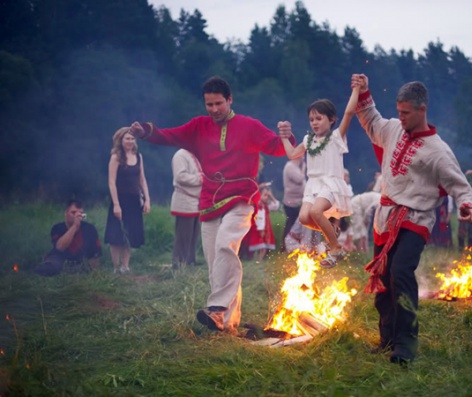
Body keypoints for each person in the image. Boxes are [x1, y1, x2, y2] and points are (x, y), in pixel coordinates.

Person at [128, 75, 294, 334]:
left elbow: (277, 147)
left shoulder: (248, 125)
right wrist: (146, 132)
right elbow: (169, 135)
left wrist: (286, 137)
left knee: (225, 246)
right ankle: (228, 324)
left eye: (219, 103)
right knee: (216, 262)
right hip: (209, 201)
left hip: (241, 197)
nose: (214, 109)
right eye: (209, 105)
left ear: (230, 100)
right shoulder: (198, 126)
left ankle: (216, 308)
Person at [351, 74, 472, 365]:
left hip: (415, 219)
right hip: (385, 217)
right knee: (384, 281)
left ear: (422, 110)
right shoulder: (394, 129)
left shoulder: (438, 151)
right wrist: (364, 90)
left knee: (401, 272)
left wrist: (467, 204)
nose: (401, 117)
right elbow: (371, 120)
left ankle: (406, 345)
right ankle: (387, 340)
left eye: (406, 112)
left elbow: (459, 185)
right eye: (399, 112)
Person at [280, 92, 356, 268]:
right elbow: (292, 153)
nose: (314, 122)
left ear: (331, 119)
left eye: (319, 118)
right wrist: (284, 138)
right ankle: (333, 231)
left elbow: (349, 113)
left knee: (315, 212)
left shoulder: (336, 137)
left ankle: (336, 248)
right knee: (304, 217)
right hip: (312, 185)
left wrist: (357, 90)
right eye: (311, 119)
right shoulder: (308, 140)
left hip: (330, 183)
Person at [104, 127, 150, 274]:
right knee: (116, 234)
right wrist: (116, 205)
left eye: (132, 139)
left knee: (130, 233)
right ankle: (116, 267)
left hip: (134, 200)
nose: (130, 141)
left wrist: (147, 199)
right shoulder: (116, 157)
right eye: (127, 139)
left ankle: (125, 266)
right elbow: (111, 182)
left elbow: (142, 179)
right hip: (120, 199)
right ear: (121, 140)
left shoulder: (138, 157)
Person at [35, 199, 102, 276]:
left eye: (80, 213)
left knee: (84, 269)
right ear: (66, 213)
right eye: (73, 213)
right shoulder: (57, 228)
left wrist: (95, 272)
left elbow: (95, 254)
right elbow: (59, 247)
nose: (77, 216)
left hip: (80, 261)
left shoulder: (89, 228)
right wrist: (74, 227)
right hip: (60, 259)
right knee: (49, 268)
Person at [170, 148, 202, 269]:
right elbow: (180, 176)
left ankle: (190, 261)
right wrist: (199, 178)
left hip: (196, 201)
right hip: (184, 200)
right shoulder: (180, 155)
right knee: (184, 235)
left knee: (194, 234)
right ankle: (178, 264)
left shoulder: (195, 154)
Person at [246, 182, 280, 260]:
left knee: (262, 248)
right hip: (258, 229)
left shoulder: (265, 205)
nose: (267, 197)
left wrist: (271, 196)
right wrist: (261, 229)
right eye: (265, 195)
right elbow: (259, 218)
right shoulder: (258, 205)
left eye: (268, 196)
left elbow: (276, 206)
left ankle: (258, 260)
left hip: (264, 230)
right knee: (260, 247)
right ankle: (257, 261)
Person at [281, 157, 306, 251]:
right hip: (291, 203)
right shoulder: (290, 166)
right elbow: (299, 179)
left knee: (294, 224)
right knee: (291, 225)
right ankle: (285, 246)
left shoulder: (295, 167)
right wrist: (304, 167)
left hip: (297, 201)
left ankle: (291, 245)